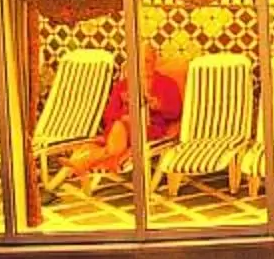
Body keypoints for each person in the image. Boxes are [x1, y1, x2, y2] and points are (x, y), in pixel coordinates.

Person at [53, 55, 184, 204]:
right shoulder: (123, 85)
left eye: (146, 60)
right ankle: (96, 158)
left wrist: (158, 106)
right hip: (120, 131)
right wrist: (124, 112)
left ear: (154, 62)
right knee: (121, 124)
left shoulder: (167, 84)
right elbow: (108, 115)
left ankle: (85, 161)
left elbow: (176, 112)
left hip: (149, 129)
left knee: (125, 125)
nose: (141, 64)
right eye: (137, 60)